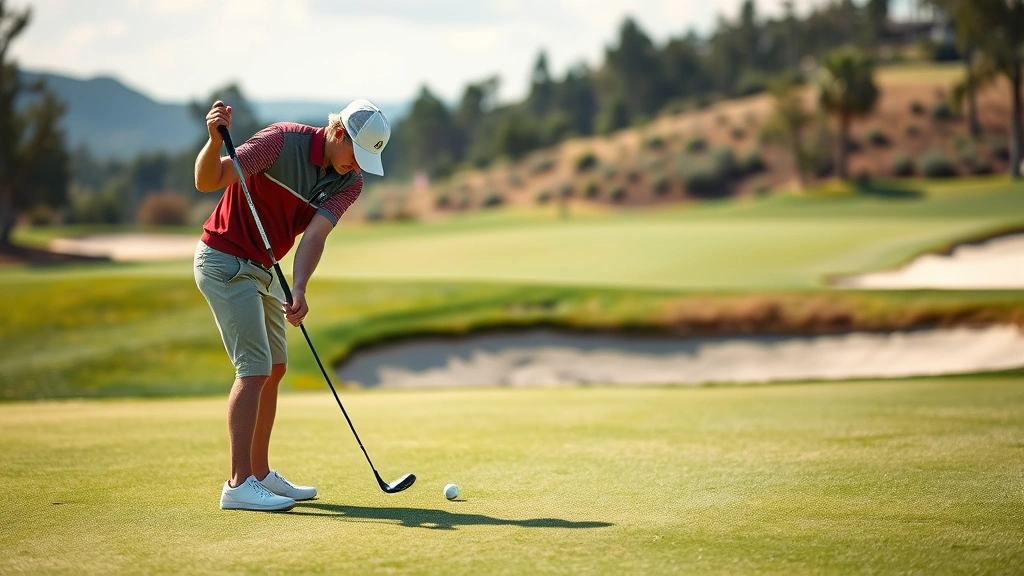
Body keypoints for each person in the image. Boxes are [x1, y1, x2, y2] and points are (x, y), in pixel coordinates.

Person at [193, 98, 390, 512]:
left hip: (264, 269)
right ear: (339, 134)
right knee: (254, 367)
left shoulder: (349, 183)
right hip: (224, 259)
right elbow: (209, 180)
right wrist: (213, 142)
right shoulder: (281, 142)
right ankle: (238, 483)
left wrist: (298, 288)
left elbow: (314, 237)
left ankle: (261, 474)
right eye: (356, 157)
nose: (357, 169)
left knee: (276, 367)